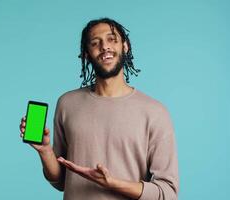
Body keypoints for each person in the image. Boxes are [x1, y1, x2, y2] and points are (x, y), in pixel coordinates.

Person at [19, 18, 179, 200]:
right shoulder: (67, 103)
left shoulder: (155, 112)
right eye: (96, 43)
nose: (104, 47)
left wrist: (112, 183)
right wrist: (45, 151)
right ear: (87, 54)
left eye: (112, 39)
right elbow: (62, 181)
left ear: (125, 46)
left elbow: (167, 194)